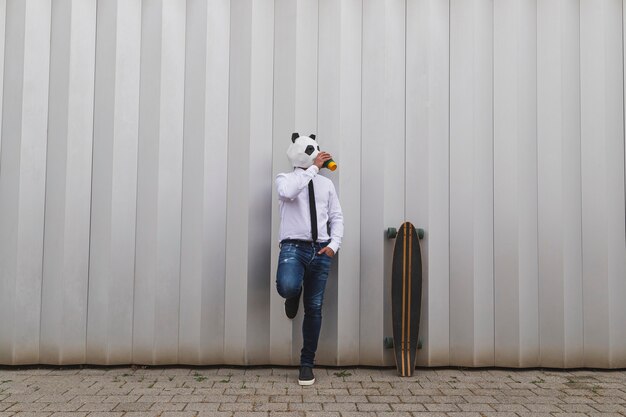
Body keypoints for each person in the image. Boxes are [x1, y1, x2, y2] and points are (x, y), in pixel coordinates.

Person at [275, 133, 344, 386]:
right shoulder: (286, 179)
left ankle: (307, 364)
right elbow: (290, 193)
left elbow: (336, 216)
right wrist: (313, 169)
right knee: (288, 286)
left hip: (321, 250)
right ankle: (294, 294)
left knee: (314, 308)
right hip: (293, 247)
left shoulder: (327, 185)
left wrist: (334, 245)